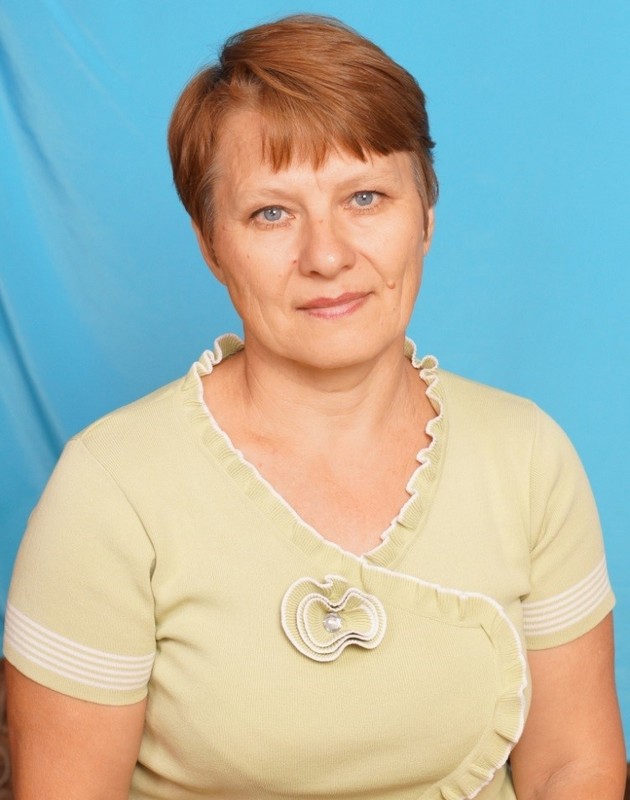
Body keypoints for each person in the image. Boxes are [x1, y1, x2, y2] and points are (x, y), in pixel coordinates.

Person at [3, 13, 626, 800]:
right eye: (272, 212)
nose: (327, 256)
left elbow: (573, 767)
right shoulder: (109, 490)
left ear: (426, 216)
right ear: (211, 243)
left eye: (365, 197)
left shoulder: (529, 455)